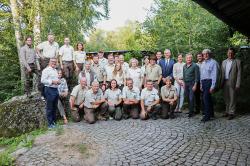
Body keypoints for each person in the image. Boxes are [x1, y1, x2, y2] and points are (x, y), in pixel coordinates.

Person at [220, 47, 241, 120]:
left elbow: (239, 74)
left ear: (234, 54)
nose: (230, 54)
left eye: (232, 53)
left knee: (232, 97)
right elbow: (221, 73)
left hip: (233, 82)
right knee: (226, 97)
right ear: (227, 53)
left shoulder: (237, 61)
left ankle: (231, 113)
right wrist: (220, 82)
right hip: (224, 81)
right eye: (229, 53)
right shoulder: (224, 62)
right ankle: (227, 111)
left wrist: (238, 84)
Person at [41, 58, 60, 128]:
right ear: (49, 62)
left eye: (55, 62)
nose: (54, 63)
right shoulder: (46, 70)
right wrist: (52, 82)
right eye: (52, 61)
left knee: (55, 107)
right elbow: (42, 80)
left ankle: (54, 122)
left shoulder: (55, 70)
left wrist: (58, 81)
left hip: (55, 89)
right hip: (49, 89)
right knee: (49, 107)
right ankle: (50, 124)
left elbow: (56, 79)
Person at [200, 49, 218, 122]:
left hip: (209, 82)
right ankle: (211, 114)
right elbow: (201, 75)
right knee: (208, 99)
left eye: (207, 54)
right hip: (203, 82)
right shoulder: (203, 63)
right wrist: (201, 84)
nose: (205, 55)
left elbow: (214, 75)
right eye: (204, 54)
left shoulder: (213, 62)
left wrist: (213, 86)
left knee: (205, 99)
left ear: (209, 54)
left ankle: (207, 116)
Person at [183, 53, 199, 118]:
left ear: (191, 58)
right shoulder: (184, 66)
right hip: (186, 84)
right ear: (186, 59)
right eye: (187, 58)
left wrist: (195, 85)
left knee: (191, 98)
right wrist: (184, 83)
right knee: (187, 98)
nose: (188, 59)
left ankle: (191, 112)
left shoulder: (195, 66)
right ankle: (190, 110)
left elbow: (197, 77)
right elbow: (184, 75)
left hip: (192, 84)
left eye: (190, 58)